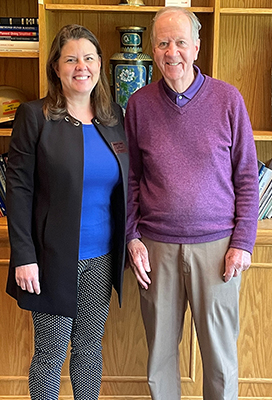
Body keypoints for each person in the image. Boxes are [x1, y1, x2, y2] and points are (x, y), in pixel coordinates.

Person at [125, 6, 259, 400]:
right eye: (163, 43)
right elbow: (131, 178)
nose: (172, 52)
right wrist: (132, 237)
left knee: (219, 360)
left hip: (218, 250)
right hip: (156, 248)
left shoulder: (228, 100)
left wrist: (242, 242)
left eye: (180, 42)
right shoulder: (139, 105)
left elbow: (247, 177)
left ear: (196, 47)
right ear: (153, 50)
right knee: (160, 360)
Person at [6, 24, 128, 400]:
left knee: (89, 351)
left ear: (99, 66)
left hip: (102, 258)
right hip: (50, 258)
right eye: (71, 59)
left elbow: (127, 186)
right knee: (51, 353)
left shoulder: (114, 118)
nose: (81, 67)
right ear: (56, 68)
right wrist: (24, 257)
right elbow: (19, 191)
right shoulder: (34, 117)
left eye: (89, 58)